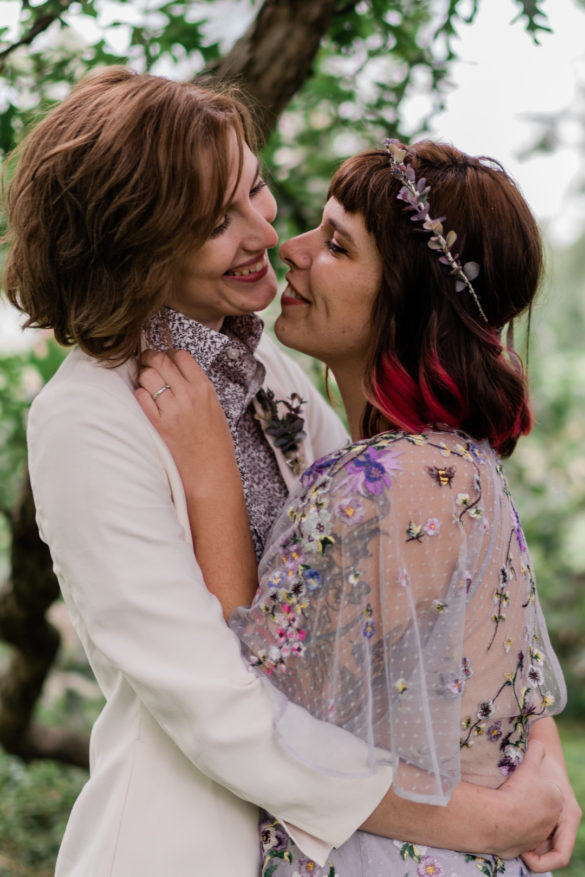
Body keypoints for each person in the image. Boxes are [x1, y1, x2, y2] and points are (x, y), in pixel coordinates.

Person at [1, 67, 566, 875]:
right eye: (213, 221)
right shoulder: (86, 421)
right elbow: (222, 707)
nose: (265, 233)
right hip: (190, 845)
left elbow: (402, 570)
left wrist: (534, 754)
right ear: (134, 247)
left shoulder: (266, 354)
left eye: (254, 189)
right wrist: (482, 818)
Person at [135, 139, 582, 876]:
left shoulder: (387, 479)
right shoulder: (452, 462)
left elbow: (252, 705)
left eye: (337, 244)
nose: (292, 249)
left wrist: (212, 475)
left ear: (405, 303)